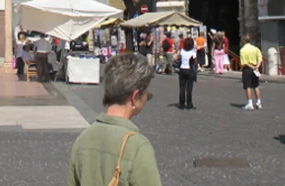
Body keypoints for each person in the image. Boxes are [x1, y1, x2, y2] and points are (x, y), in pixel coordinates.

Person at [67, 53, 161, 186]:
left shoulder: (83, 139)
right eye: (147, 95)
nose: (147, 99)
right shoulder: (138, 146)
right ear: (135, 97)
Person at [239, 34, 263, 110]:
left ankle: (250, 103)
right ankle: (259, 102)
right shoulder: (255, 49)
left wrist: (251, 67)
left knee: (248, 86)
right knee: (256, 86)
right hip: (255, 68)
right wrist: (257, 67)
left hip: (247, 69)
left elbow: (244, 62)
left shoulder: (243, 50)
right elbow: (260, 58)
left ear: (243, 41)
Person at [176, 37, 198, 110]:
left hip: (182, 69)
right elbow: (195, 62)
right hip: (190, 70)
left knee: (182, 87)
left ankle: (181, 103)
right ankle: (189, 103)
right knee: (189, 88)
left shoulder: (181, 51)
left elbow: (177, 58)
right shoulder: (193, 52)